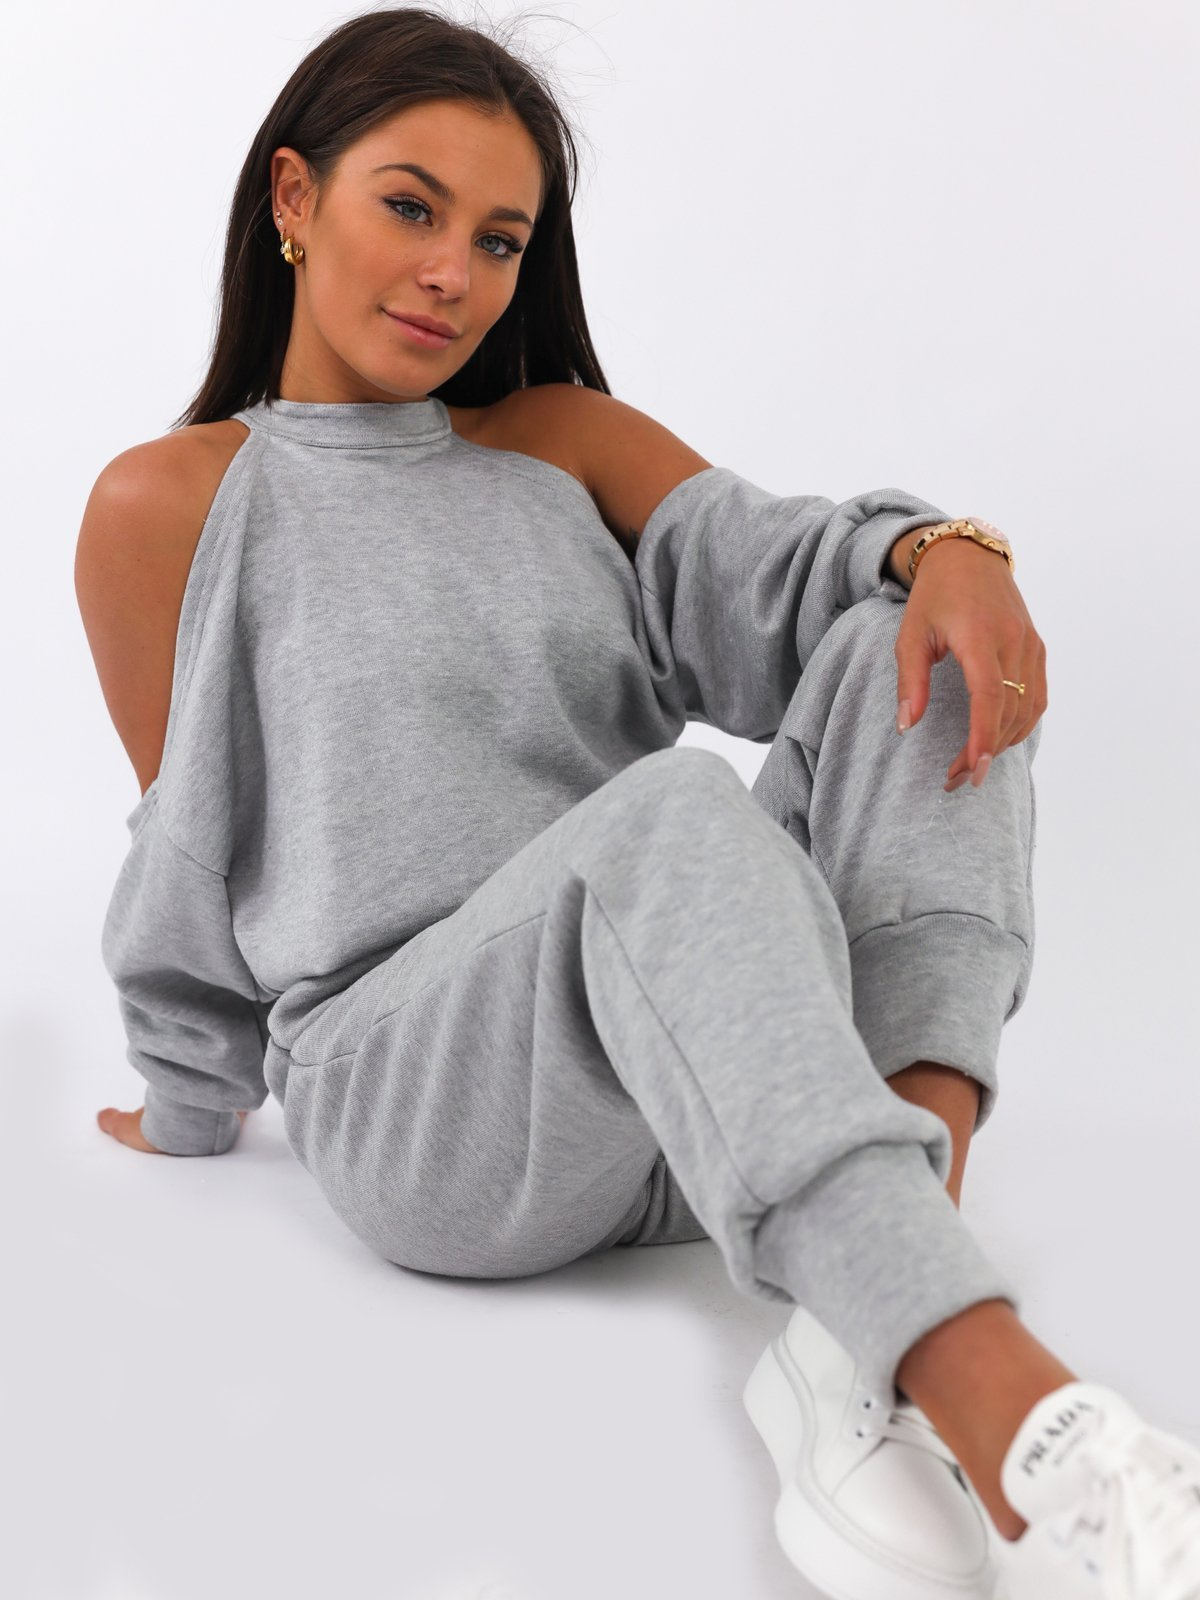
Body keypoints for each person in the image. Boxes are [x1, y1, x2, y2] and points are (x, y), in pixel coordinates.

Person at [74, 8, 1200, 1598]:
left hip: (703, 1074)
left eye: (499, 239)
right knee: (675, 813)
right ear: (294, 199)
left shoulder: (561, 445)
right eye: (411, 207)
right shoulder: (170, 504)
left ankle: (853, 1323)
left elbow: (786, 570)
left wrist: (944, 548)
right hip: (432, 1112)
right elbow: (189, 839)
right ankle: (1010, 1410)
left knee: (922, 652)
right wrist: (187, 1105)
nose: (453, 273)